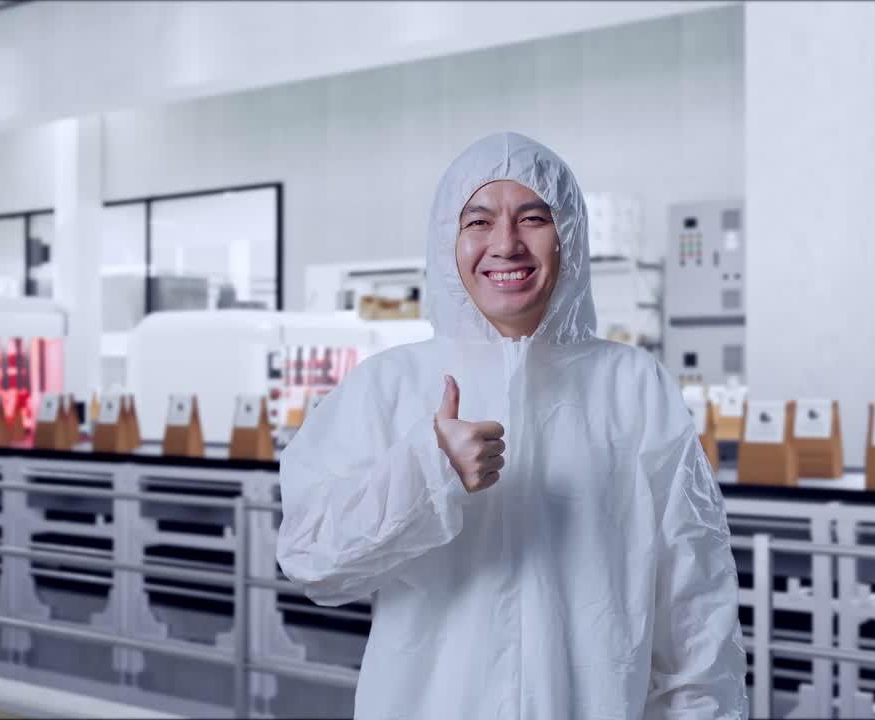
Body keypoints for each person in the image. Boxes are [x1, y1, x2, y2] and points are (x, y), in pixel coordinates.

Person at [277, 132, 747, 720]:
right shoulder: (388, 386)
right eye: (478, 222)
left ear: (568, 235)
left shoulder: (633, 388)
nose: (505, 244)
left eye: (533, 218)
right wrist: (428, 470)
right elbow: (309, 558)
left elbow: (693, 601)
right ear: (447, 241)